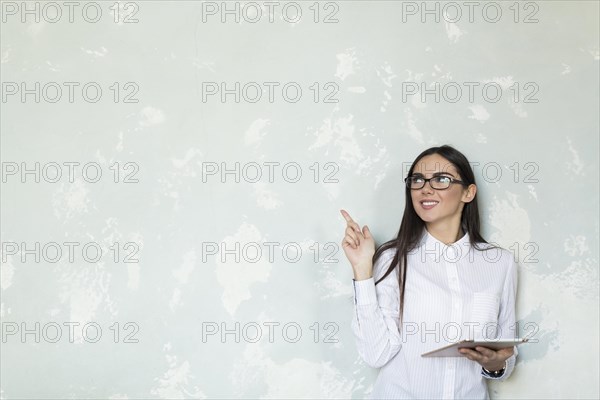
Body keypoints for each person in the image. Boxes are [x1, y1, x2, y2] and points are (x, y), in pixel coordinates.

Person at [340, 145, 518, 399]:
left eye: (441, 179)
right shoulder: (393, 259)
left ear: (468, 193)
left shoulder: (500, 262)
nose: (426, 188)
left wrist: (495, 365)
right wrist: (362, 270)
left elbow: (506, 351)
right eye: (418, 179)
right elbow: (375, 354)